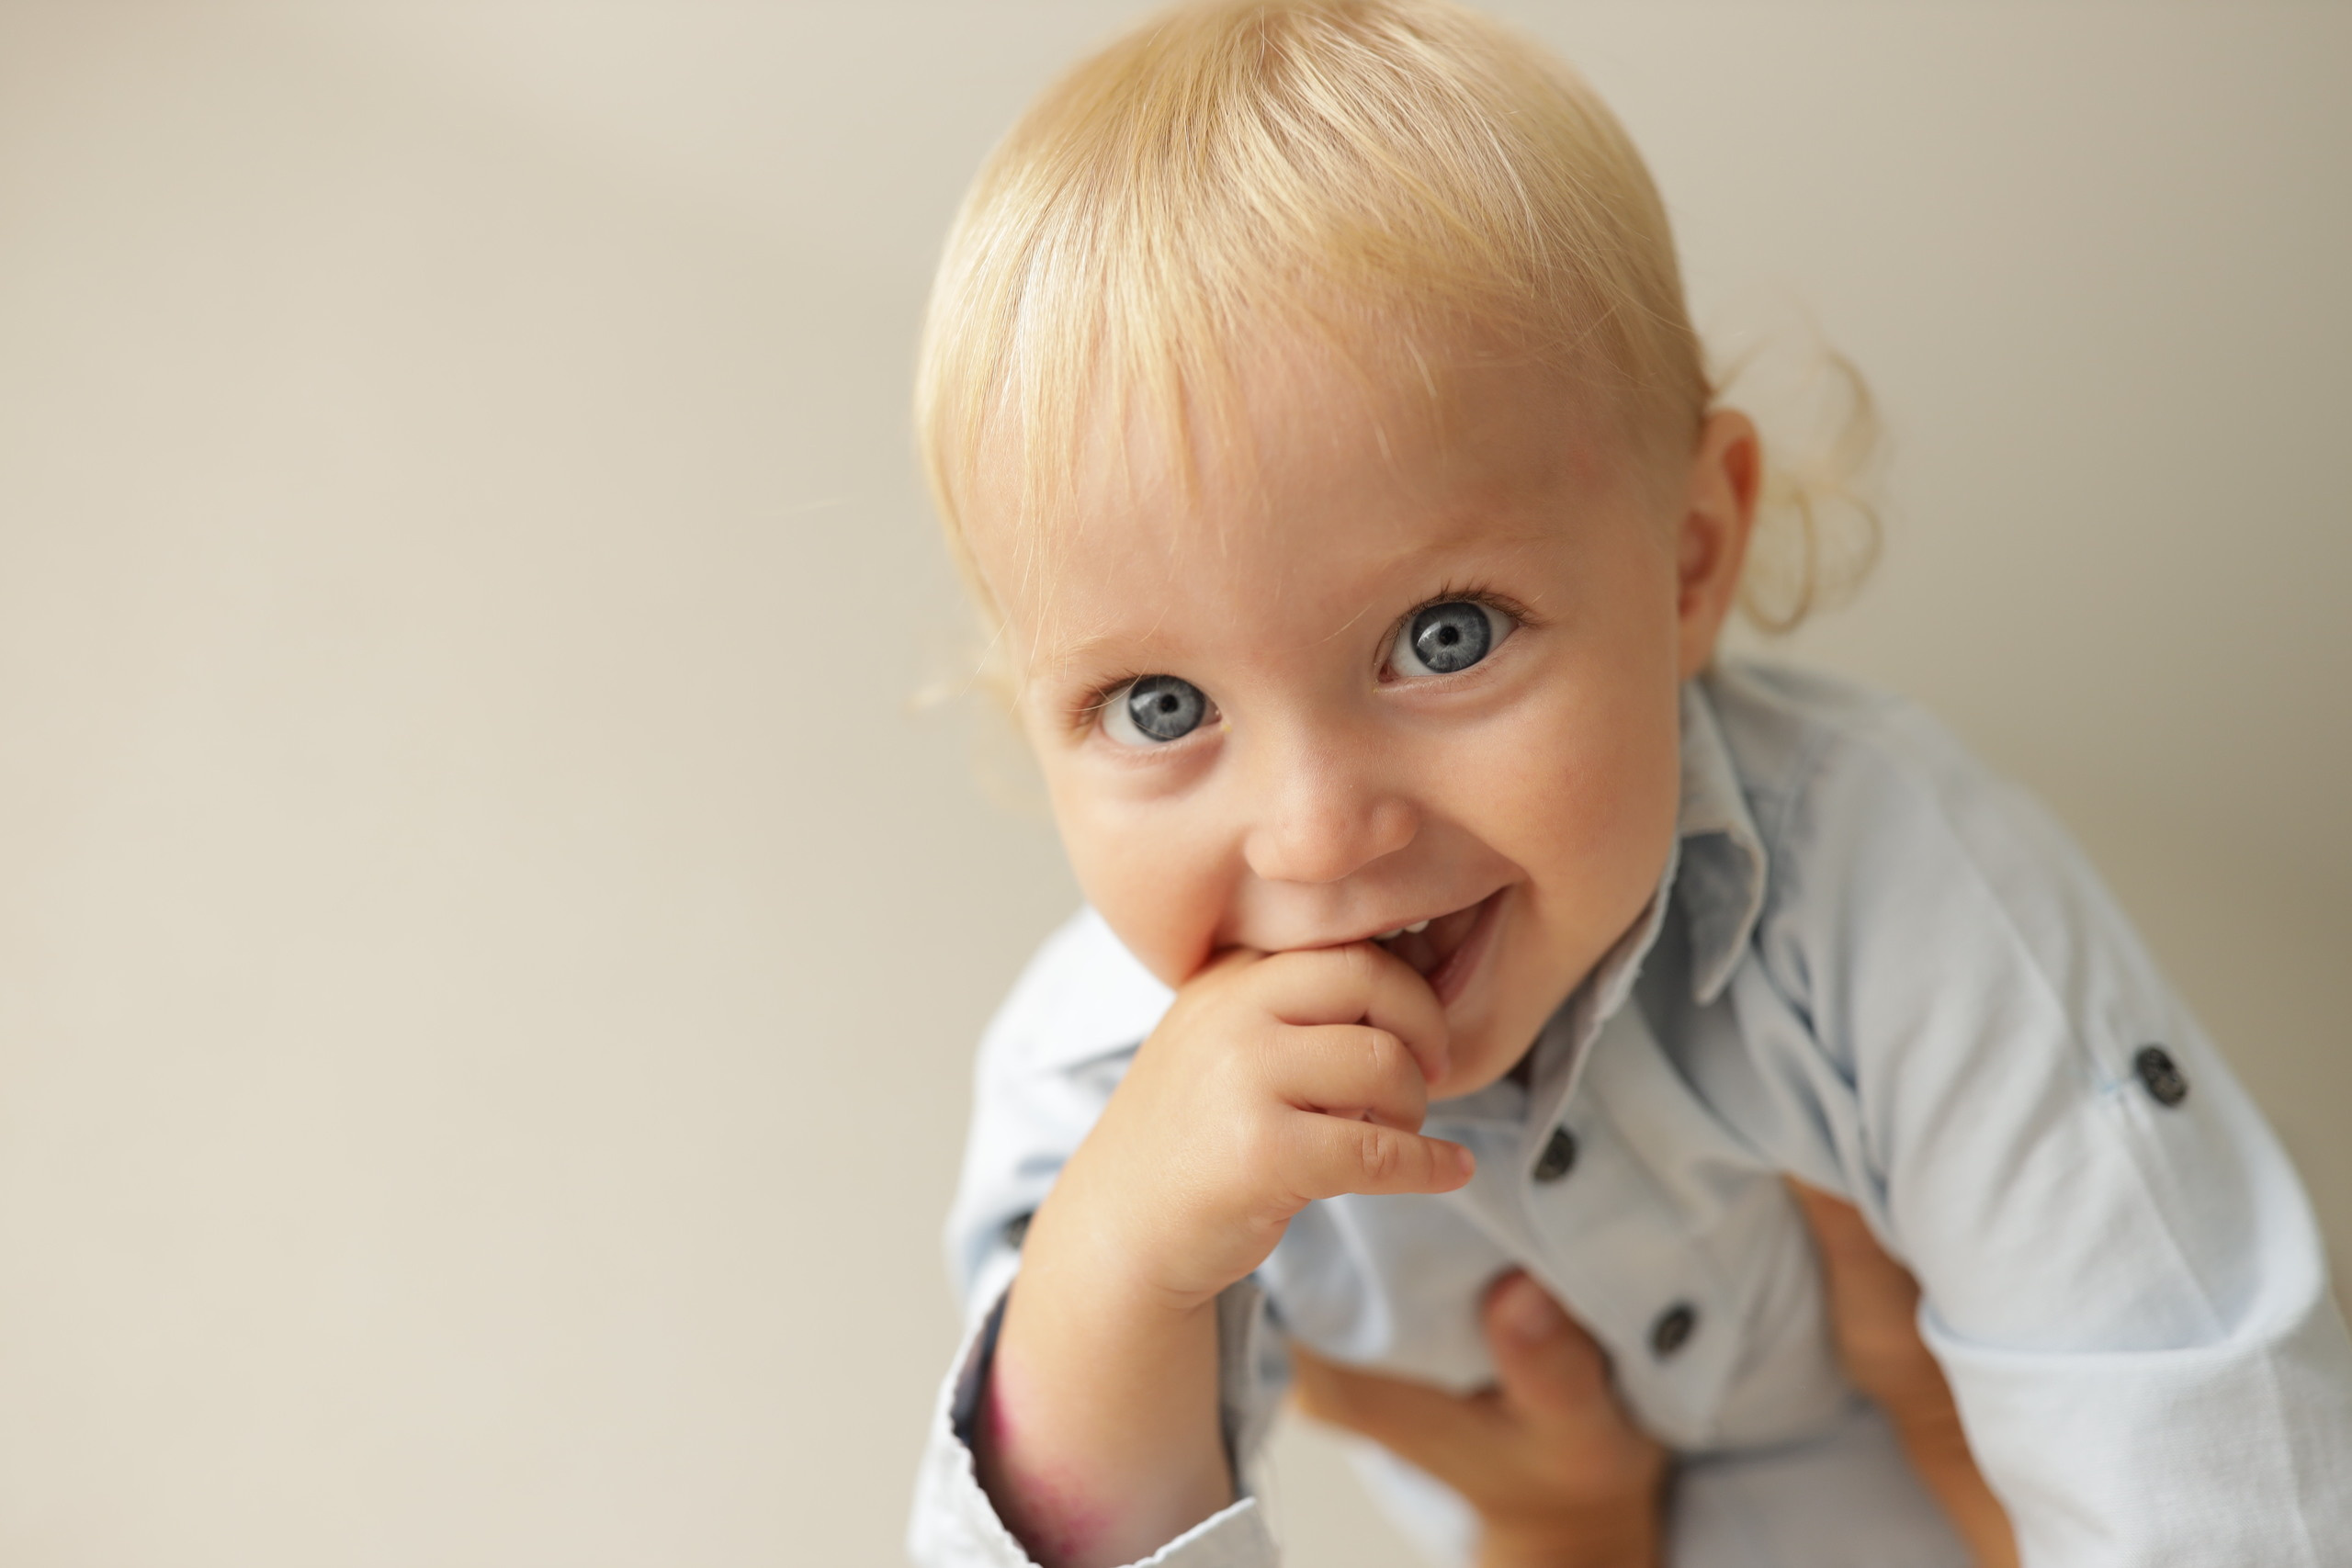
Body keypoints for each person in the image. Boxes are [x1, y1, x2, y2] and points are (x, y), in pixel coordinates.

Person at [902, 4, 2352, 1564]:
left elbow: (2206, 1450)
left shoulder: (1893, 886)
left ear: (1687, 562)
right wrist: (1114, 1274)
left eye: (1441, 637)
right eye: (1162, 702)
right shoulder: (1086, 1095)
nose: (1319, 833)